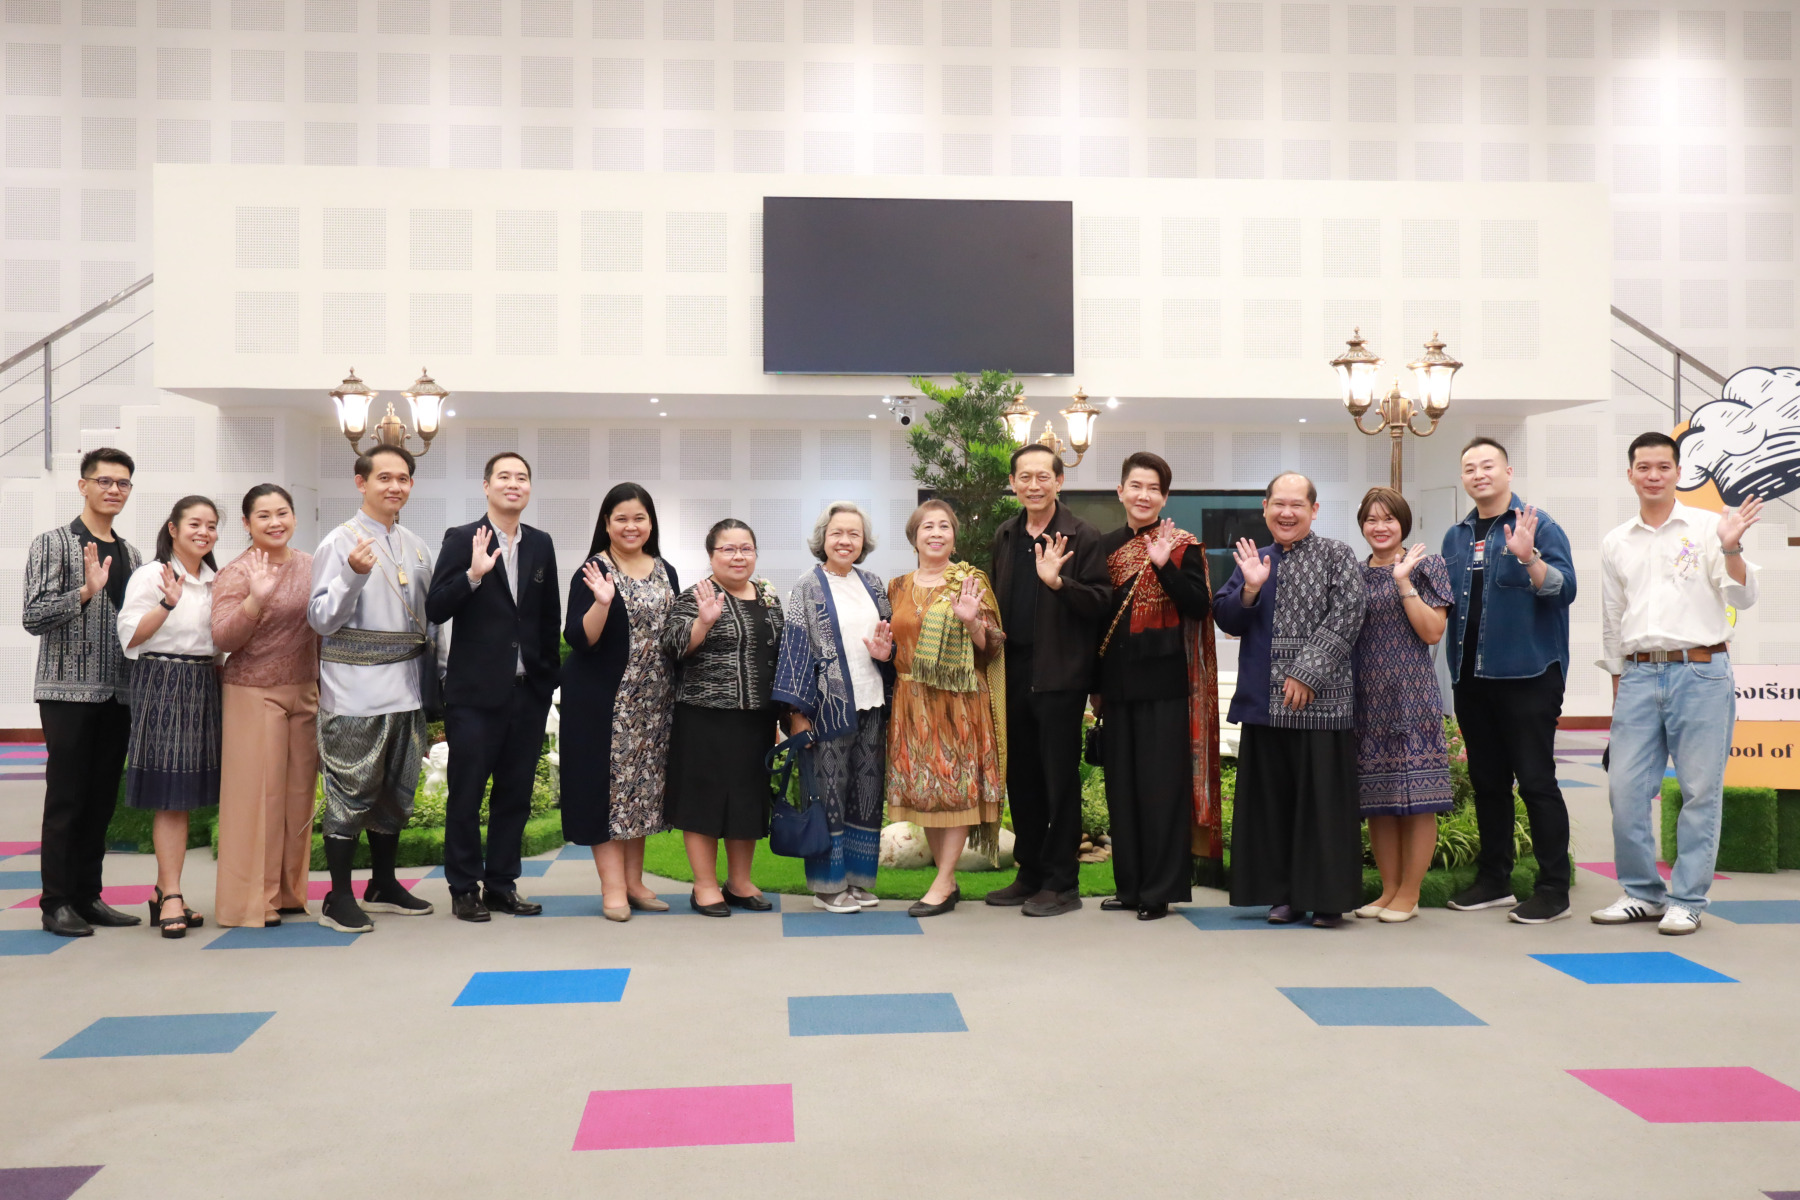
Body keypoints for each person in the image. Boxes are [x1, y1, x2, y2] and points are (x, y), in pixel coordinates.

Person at [1593, 432, 1760, 936]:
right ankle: (1641, 893)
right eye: (1643, 467)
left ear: (1678, 473)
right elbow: (1613, 619)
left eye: (1663, 467)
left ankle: (1687, 899)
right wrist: (1619, 684)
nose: (1653, 476)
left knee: (1699, 792)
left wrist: (1731, 548)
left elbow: (1743, 596)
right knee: (1625, 791)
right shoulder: (1616, 541)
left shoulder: (1711, 527)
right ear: (1630, 474)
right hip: (1638, 673)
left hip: (1701, 671)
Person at [1213, 472, 1366, 927]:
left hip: (1323, 707)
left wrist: (1307, 673)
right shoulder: (1253, 559)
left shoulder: (1337, 555)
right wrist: (1250, 588)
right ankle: (1283, 896)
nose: (1287, 512)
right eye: (1278, 504)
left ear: (1314, 510)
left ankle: (1327, 900)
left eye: (1297, 505)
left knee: (1323, 809)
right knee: (1272, 809)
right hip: (1265, 707)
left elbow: (1349, 613)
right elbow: (1225, 617)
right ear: (1265, 508)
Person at [1441, 437, 1578, 924]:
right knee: (1487, 783)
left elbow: (1565, 589)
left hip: (1529, 675)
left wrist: (1528, 557)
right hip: (1471, 679)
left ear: (1508, 472)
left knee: (1537, 782)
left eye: (1488, 466)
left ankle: (1553, 889)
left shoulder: (1538, 525)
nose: (1479, 474)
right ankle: (1494, 880)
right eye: (1469, 468)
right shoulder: (1455, 536)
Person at [307, 445, 438, 933]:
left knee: (395, 793)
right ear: (361, 482)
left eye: (403, 478)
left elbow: (429, 620)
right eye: (384, 477)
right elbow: (320, 619)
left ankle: (382, 884)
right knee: (350, 791)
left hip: (407, 687)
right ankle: (337, 897)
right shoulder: (338, 543)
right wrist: (352, 575)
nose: (394, 486)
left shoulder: (416, 546)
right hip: (354, 690)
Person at [426, 452, 561, 922]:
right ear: (486, 486)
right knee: (466, 794)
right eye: (504, 476)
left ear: (529, 488)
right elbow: (436, 607)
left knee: (515, 795)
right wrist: (474, 575)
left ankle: (502, 884)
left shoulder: (541, 543)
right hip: (474, 695)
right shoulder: (463, 538)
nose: (513, 484)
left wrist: (546, 681)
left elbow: (548, 616)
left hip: (527, 693)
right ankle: (464, 888)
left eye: (522, 477)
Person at [22, 448, 145, 937]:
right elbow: (33, 616)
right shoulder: (52, 544)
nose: (114, 490)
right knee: (67, 799)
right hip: (66, 692)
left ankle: (88, 896)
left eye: (123, 483)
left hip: (119, 694)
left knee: (101, 802)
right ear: (83, 486)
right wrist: (85, 591)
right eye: (104, 481)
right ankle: (56, 903)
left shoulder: (132, 555)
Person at [985, 443, 1110, 918]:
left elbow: (1100, 602)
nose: (1033, 485)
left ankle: (1062, 883)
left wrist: (1059, 583)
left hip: (1060, 676)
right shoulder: (1006, 533)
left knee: (1059, 781)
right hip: (1012, 672)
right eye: (1025, 477)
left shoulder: (1083, 535)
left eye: (1043, 477)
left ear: (1059, 481)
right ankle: (1031, 872)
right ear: (1013, 483)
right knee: (1023, 780)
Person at [1095, 452, 1221, 921]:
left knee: (1161, 791)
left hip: (1165, 686)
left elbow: (1199, 607)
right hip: (1116, 686)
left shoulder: (1182, 546)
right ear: (1121, 491)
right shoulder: (1104, 547)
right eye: (1136, 486)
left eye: (1153, 489)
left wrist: (1164, 565)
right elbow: (1095, 617)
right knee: (1122, 791)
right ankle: (1129, 887)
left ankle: (1159, 891)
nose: (1143, 495)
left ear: (1164, 497)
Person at [560, 483, 679, 921]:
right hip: (603, 703)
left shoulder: (665, 569)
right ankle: (612, 888)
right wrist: (603, 603)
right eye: (621, 519)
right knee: (606, 794)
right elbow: (580, 639)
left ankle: (634, 883)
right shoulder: (593, 570)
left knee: (640, 792)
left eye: (639, 518)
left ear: (651, 523)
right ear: (606, 524)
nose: (631, 526)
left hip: (654, 703)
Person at [885, 500, 1006, 919]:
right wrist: (885, 653)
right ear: (914, 537)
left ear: (954, 537)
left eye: (944, 527)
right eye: (927, 527)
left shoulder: (969, 581)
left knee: (955, 791)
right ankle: (947, 881)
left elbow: (992, 647)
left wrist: (972, 621)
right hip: (911, 700)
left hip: (958, 702)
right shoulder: (897, 586)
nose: (936, 533)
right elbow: (896, 643)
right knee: (928, 794)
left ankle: (941, 882)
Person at [773, 501, 895, 914]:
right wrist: (796, 715)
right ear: (823, 538)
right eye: (837, 533)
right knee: (828, 795)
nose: (845, 540)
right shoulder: (806, 587)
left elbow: (889, 642)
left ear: (864, 542)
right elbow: (794, 651)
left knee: (867, 792)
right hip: (827, 708)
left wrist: (887, 654)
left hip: (873, 704)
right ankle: (827, 887)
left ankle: (857, 880)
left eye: (854, 534)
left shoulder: (874, 584)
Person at [660, 518, 783, 917]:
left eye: (745, 548)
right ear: (712, 555)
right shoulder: (695, 595)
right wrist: (704, 622)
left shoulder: (767, 595)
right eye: (728, 549)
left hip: (756, 719)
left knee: (747, 800)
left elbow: (779, 655)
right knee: (704, 801)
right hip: (704, 717)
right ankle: (704, 885)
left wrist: (783, 716)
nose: (737, 556)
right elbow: (673, 646)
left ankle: (739, 882)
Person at [211, 484, 320, 928]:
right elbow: (223, 637)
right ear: (247, 523)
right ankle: (250, 902)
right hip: (254, 691)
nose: (275, 522)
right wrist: (255, 600)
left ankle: (289, 892)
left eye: (282, 513)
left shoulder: (311, 565)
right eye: (264, 516)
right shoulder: (237, 572)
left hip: (305, 689)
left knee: (298, 797)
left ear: (294, 516)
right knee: (257, 799)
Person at [117, 495, 223, 938]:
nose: (204, 532)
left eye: (211, 525)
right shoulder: (152, 574)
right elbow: (130, 637)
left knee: (187, 795)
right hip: (162, 681)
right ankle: (173, 895)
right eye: (195, 524)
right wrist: (167, 605)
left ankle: (164, 891)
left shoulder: (216, 580)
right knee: (171, 796)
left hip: (204, 684)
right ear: (173, 529)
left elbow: (221, 644)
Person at [1350, 487, 1454, 924]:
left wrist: (1403, 581)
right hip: (1367, 698)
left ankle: (1409, 894)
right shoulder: (1354, 573)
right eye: (1371, 519)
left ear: (1403, 523)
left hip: (1412, 695)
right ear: (1362, 525)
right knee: (1378, 798)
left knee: (1418, 797)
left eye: (1388, 519)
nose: (1380, 527)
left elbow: (1432, 633)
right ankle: (1389, 889)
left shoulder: (1426, 565)